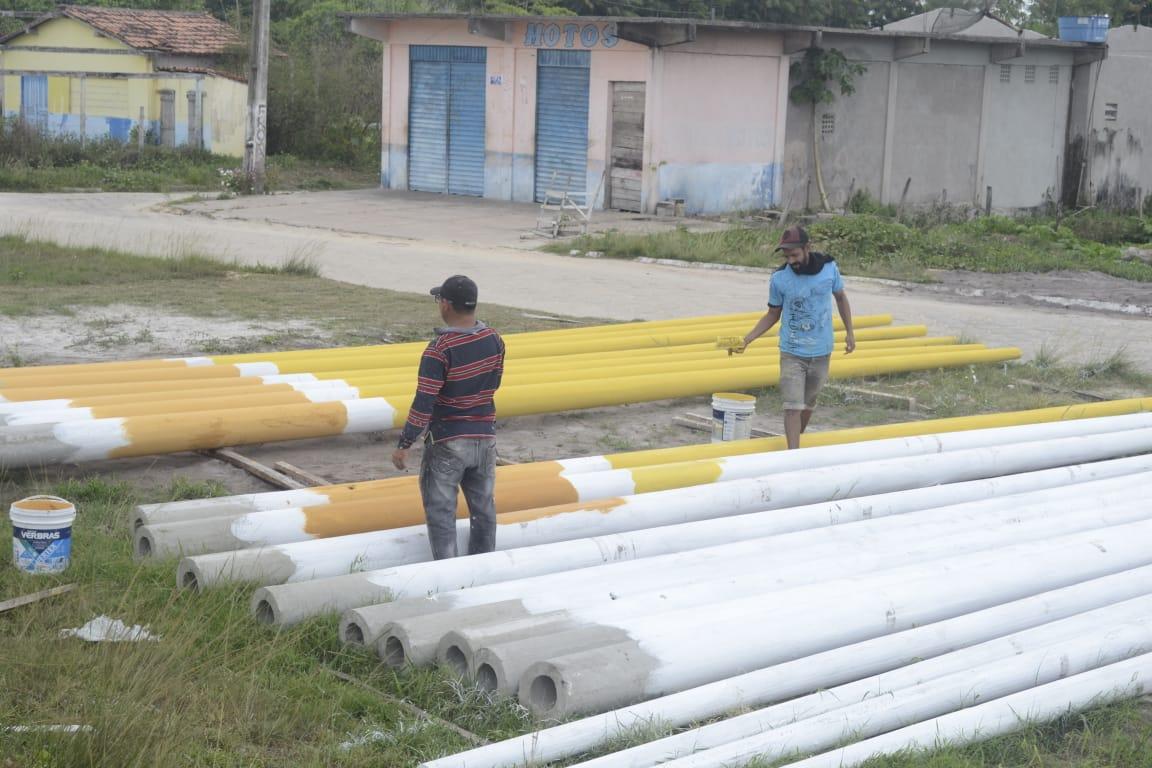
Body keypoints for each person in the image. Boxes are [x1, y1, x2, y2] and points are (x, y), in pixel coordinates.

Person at [391, 275, 506, 559]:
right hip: (485, 438)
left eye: (438, 299)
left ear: (446, 305)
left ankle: (448, 574)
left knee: (441, 513)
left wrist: (405, 443)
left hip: (448, 442)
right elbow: (495, 383)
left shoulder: (439, 350)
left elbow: (424, 402)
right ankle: (483, 565)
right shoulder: (494, 340)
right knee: (483, 509)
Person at [741, 226, 855, 450]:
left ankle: (796, 444)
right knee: (792, 405)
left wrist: (850, 332)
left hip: (822, 350)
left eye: (795, 255)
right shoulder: (779, 279)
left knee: (807, 404)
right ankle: (793, 454)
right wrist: (747, 339)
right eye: (787, 256)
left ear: (807, 248)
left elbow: (841, 298)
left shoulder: (829, 269)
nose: (791, 260)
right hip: (792, 351)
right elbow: (773, 314)